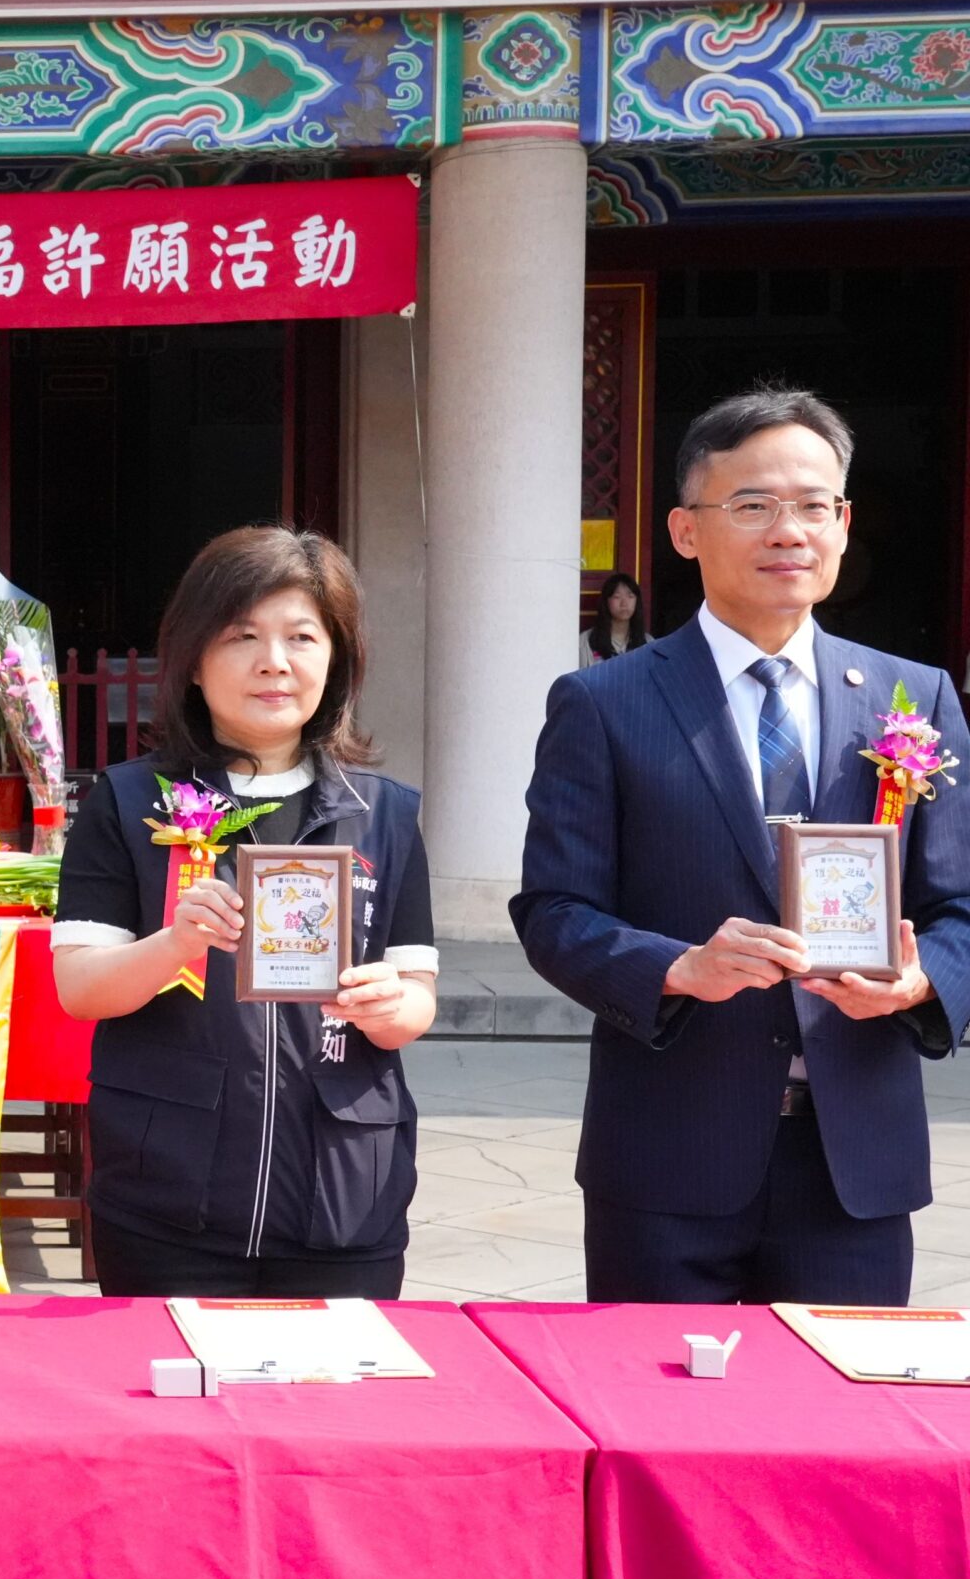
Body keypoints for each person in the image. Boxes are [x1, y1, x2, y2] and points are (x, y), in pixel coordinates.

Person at [515, 386, 970, 1305]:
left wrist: (923, 982)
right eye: (754, 505)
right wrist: (678, 967)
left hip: (853, 1163)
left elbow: (959, 907)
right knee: (653, 1394)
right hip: (668, 1155)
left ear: (843, 524)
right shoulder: (605, 703)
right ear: (686, 530)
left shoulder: (912, 698)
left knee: (839, 1397)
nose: (788, 531)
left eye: (813, 506)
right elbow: (554, 911)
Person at [51, 526, 439, 1300]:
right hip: (168, 1200)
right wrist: (174, 944)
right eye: (242, 636)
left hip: (343, 1197)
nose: (275, 661)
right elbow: (81, 989)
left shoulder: (385, 815)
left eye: (302, 637)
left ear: (335, 660)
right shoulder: (127, 803)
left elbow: (416, 997)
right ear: (194, 661)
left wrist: (389, 1007)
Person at [582, 570, 647, 668]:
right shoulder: (585, 642)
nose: (624, 603)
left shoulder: (648, 642)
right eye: (617, 597)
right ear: (606, 601)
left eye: (630, 596)